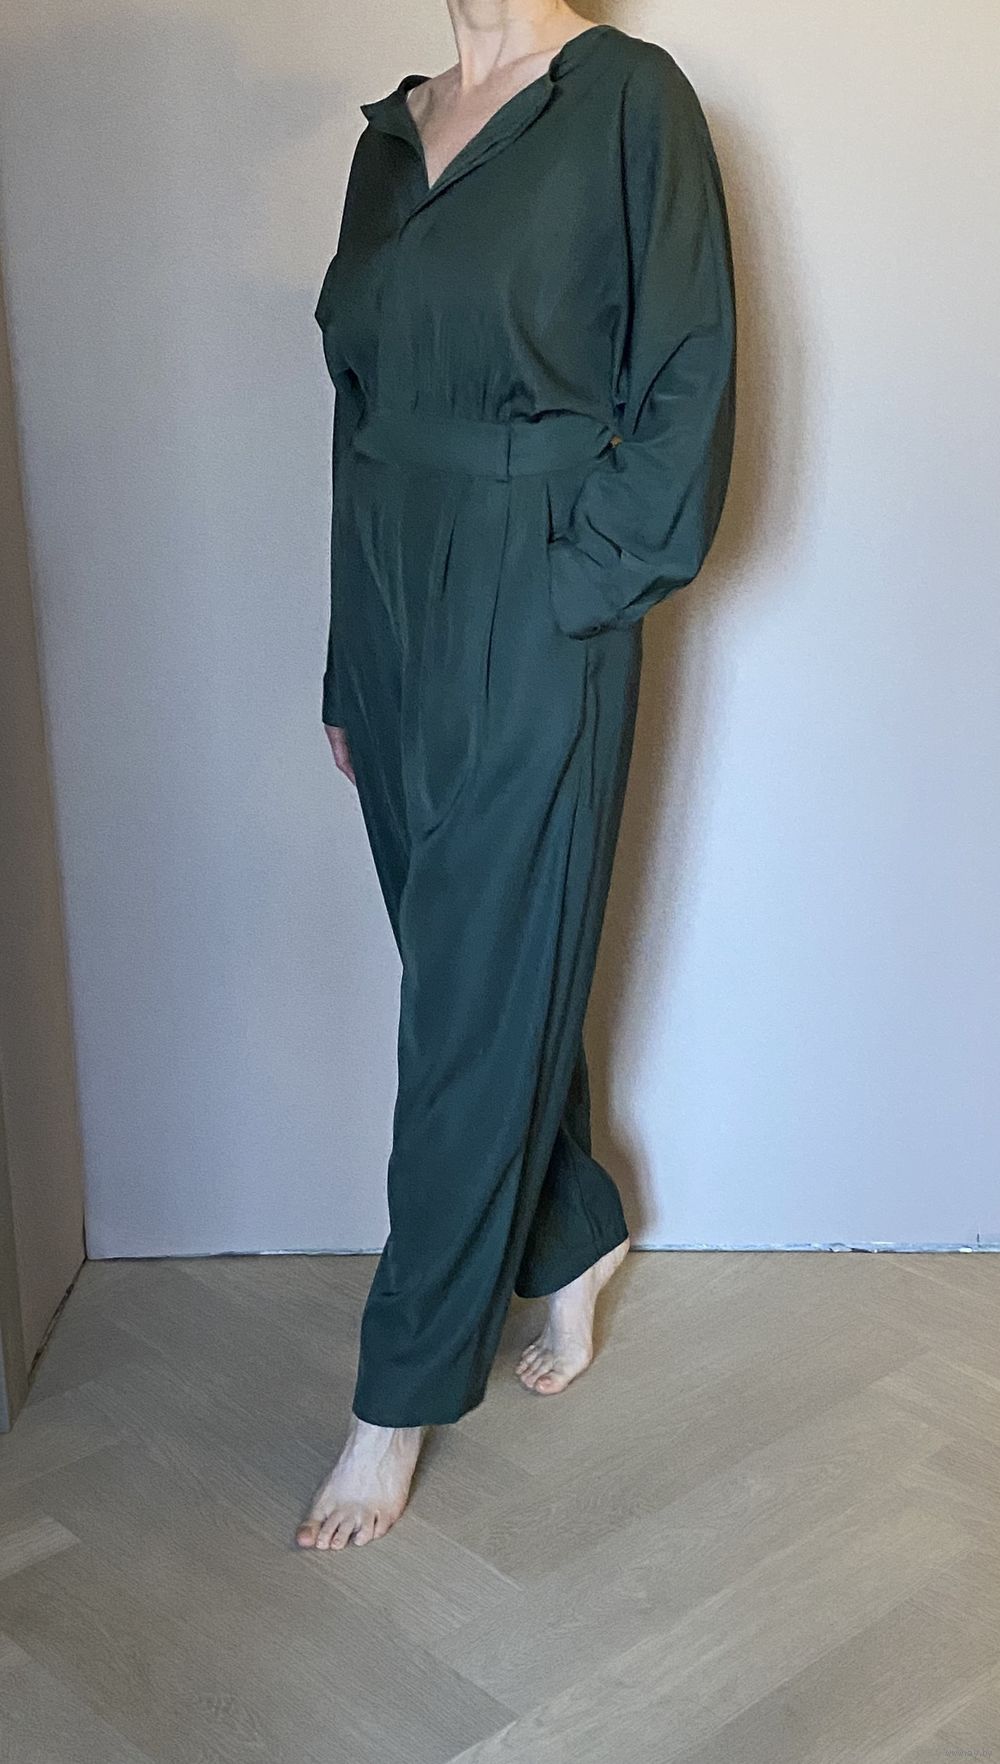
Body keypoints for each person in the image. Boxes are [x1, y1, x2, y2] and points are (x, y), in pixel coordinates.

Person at [297, 2, 736, 1549]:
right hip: (392, 601)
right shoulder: (391, 136)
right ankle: (577, 1228)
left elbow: (687, 368)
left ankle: (399, 1392)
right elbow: (356, 417)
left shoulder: (626, 102)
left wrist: (580, 585)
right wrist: (348, 658)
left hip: (532, 594)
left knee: (467, 1006)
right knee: (470, 972)